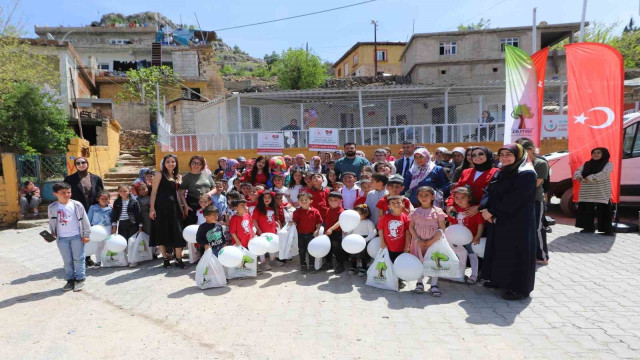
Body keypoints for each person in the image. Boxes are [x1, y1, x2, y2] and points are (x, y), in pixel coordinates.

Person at [479, 144, 537, 300]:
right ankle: (499, 280)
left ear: (518, 156)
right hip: (498, 219)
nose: (504, 157)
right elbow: (488, 191)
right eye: (501, 154)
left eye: (508, 154)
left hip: (517, 222)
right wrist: (484, 209)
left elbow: (515, 199)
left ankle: (518, 288)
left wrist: (492, 211)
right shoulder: (501, 172)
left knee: (516, 253)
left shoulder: (526, 174)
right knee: (500, 251)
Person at [48, 182, 91, 292]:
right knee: (67, 260)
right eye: (63, 193)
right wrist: (51, 233)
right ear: (55, 194)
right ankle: (70, 279)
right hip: (61, 238)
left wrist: (86, 234)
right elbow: (52, 221)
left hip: (76, 236)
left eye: (69, 192)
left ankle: (80, 278)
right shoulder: (52, 207)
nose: (67, 195)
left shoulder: (77, 205)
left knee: (79, 258)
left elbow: (85, 220)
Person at [64, 156, 104, 267]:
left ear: (87, 163)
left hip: (94, 210)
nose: (81, 164)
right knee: (80, 235)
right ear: (75, 165)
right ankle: (83, 258)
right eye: (78, 163)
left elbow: (101, 193)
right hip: (77, 211)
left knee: (93, 234)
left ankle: (95, 257)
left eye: (83, 162)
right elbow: (66, 194)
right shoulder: (69, 179)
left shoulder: (96, 178)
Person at [517, 138, 551, 263]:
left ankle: (542, 256)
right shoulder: (517, 163)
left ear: (531, 149)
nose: (520, 153)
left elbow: (535, 183)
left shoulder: (540, 163)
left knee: (537, 228)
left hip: (535, 200)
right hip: (520, 201)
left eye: (522, 150)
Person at [408, 186, 446, 295]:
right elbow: (411, 227)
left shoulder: (438, 211)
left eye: (426, 195)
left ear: (433, 196)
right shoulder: (415, 212)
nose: (423, 198)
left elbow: (442, 227)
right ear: (417, 197)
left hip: (434, 241)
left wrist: (433, 240)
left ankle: (434, 284)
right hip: (418, 242)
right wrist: (417, 239)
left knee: (434, 261)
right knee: (418, 261)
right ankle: (419, 283)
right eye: (420, 195)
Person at [150, 154, 186, 269]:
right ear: (164, 164)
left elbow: (179, 195)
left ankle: (178, 259)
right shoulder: (159, 174)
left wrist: (182, 208)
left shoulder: (178, 176)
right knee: (162, 231)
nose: (171, 164)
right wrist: (152, 208)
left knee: (178, 232)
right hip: (161, 207)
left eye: (173, 161)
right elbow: (154, 192)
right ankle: (165, 258)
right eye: (168, 162)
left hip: (175, 207)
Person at [445, 146, 498, 217]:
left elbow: (496, 195)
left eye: (481, 154)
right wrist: (450, 204)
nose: (477, 157)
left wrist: (479, 207)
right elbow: (456, 189)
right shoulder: (466, 172)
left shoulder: (496, 172)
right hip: (463, 212)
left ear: (488, 155)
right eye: (474, 155)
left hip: (484, 214)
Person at [447, 187, 484, 285]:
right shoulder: (454, 209)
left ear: (469, 198)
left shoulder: (473, 210)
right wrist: (449, 236)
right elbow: (451, 223)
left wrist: (478, 236)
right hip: (456, 238)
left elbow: (481, 223)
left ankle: (474, 275)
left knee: (472, 254)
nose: (459, 200)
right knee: (458, 255)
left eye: (463, 198)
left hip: (470, 238)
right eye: (457, 198)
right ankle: (459, 274)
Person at [574, 147, 614, 236]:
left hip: (601, 191)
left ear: (604, 154)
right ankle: (588, 228)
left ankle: (607, 230)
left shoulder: (608, 164)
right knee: (586, 209)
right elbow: (578, 171)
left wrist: (590, 178)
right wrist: (578, 176)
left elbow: (604, 174)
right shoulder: (587, 163)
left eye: (598, 153)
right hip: (587, 191)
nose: (595, 154)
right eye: (594, 153)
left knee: (604, 210)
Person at [377, 195, 412, 290]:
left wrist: (407, 245)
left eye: (398, 203)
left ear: (403, 204)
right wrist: (382, 242)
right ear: (389, 206)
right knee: (390, 262)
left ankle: (399, 279)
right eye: (393, 203)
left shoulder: (405, 217)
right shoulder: (384, 218)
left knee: (400, 263)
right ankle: (390, 279)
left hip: (401, 246)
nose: (396, 205)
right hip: (389, 246)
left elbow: (408, 232)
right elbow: (381, 230)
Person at [111, 185, 143, 267]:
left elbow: (138, 214)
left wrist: (140, 225)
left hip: (132, 223)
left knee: (131, 242)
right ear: (118, 192)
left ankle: (133, 260)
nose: (123, 193)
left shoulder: (134, 202)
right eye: (121, 191)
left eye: (125, 191)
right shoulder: (117, 202)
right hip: (122, 224)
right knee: (123, 242)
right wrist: (114, 226)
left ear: (129, 191)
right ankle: (125, 260)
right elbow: (114, 215)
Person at [179, 155, 216, 226]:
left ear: (202, 165)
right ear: (190, 164)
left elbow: (214, 188)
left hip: (207, 204)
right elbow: (181, 194)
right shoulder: (186, 177)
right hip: (192, 205)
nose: (196, 165)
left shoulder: (207, 175)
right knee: (193, 226)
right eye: (194, 163)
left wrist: (209, 194)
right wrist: (186, 206)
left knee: (208, 224)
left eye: (199, 163)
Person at [291, 192, 323, 274]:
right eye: (301, 200)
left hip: (311, 234)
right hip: (300, 234)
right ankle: (303, 265)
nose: (304, 201)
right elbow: (295, 222)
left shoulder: (315, 211)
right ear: (298, 201)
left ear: (311, 201)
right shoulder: (297, 212)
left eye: (306, 200)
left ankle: (312, 265)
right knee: (301, 250)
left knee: (311, 250)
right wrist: (291, 223)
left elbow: (319, 222)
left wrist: (317, 230)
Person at [346, 204, 376, 277]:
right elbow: (350, 230)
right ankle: (353, 266)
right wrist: (347, 233)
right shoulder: (354, 222)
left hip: (363, 240)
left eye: (359, 214)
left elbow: (373, 232)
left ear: (365, 214)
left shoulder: (368, 222)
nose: (357, 216)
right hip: (354, 239)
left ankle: (363, 267)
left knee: (363, 254)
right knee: (353, 253)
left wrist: (366, 239)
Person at [87, 190, 112, 267]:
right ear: (98, 199)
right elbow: (88, 219)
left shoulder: (110, 208)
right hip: (96, 229)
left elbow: (113, 219)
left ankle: (106, 260)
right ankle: (98, 260)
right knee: (98, 245)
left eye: (106, 199)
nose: (104, 201)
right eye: (102, 199)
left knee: (107, 244)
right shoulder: (93, 208)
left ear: (109, 199)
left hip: (107, 227)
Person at [324, 192, 346, 273]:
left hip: (337, 232)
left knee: (337, 249)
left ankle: (340, 265)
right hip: (327, 232)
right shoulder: (328, 209)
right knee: (327, 248)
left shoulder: (341, 211)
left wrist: (331, 229)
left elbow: (339, 222)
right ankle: (328, 263)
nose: (332, 202)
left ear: (340, 200)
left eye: (335, 200)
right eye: (330, 200)